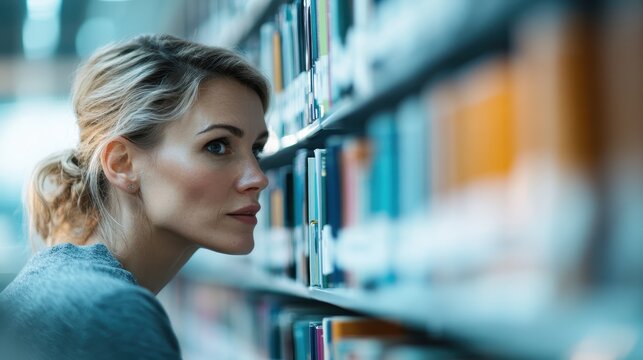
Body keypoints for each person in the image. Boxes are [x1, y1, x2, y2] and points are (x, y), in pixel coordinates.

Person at [0, 34, 270, 359]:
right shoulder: (111, 312)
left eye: (257, 149)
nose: (258, 178)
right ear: (122, 164)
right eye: (217, 146)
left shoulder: (55, 280)